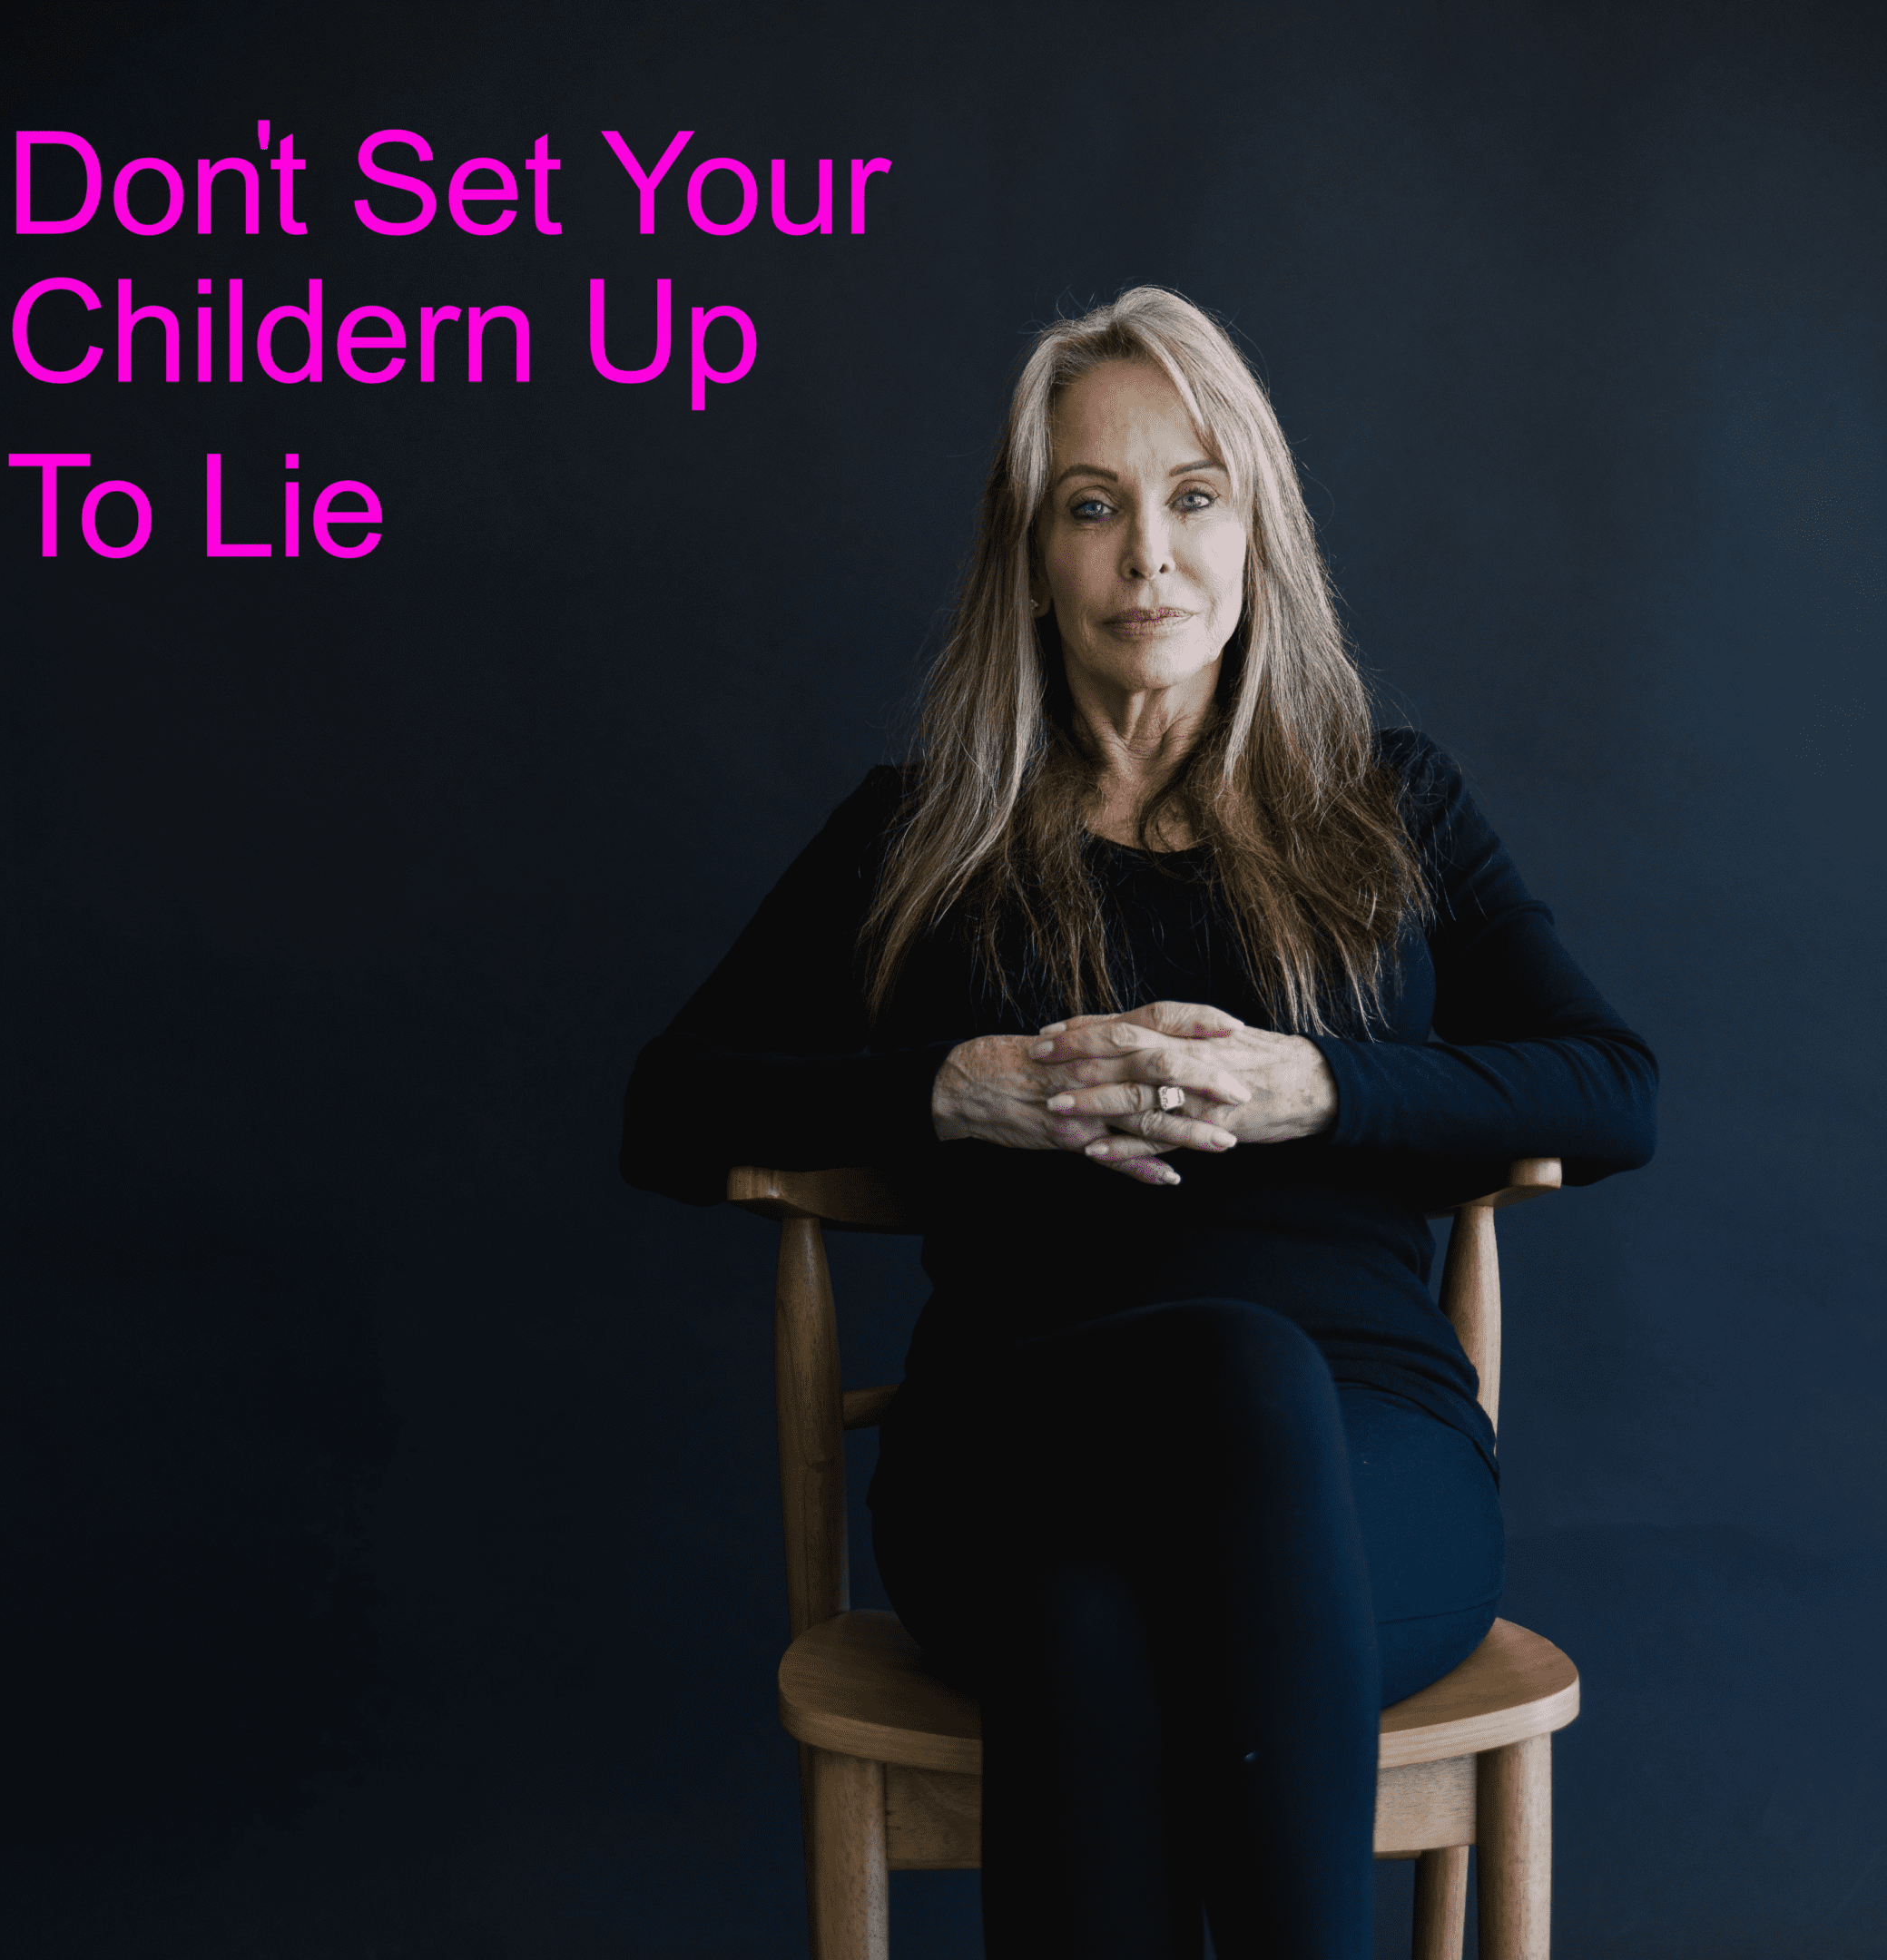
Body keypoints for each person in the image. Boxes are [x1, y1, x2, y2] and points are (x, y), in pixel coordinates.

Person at [621, 287, 1656, 1959]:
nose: (1146, 557)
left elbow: (1611, 1089)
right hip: (1022, 1440)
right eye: (1090, 508)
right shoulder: (925, 830)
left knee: (1116, 1590)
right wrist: (960, 1088)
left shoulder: (1388, 804)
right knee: (1177, 1430)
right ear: (1030, 555)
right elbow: (670, 1107)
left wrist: (1309, 1085)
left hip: (1359, 1457)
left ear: (1258, 530)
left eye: (1192, 499)